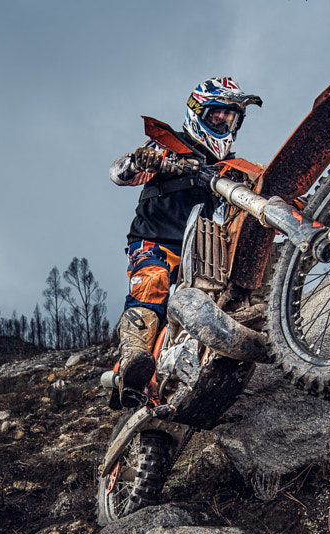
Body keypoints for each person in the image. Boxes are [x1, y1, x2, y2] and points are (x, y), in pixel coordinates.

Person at [109, 77, 262, 408]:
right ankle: (133, 361)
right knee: (152, 283)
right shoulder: (170, 145)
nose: (223, 123)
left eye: (230, 118)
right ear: (199, 113)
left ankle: (206, 378)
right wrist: (142, 161)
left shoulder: (230, 169)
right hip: (154, 242)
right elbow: (120, 173)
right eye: (217, 116)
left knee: (224, 302)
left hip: (204, 256)